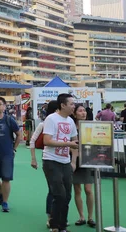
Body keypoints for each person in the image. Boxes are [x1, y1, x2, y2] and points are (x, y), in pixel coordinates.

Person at [42, 93, 79, 232]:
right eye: (71, 104)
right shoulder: (51, 119)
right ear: (63, 105)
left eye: (74, 104)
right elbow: (47, 141)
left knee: (68, 195)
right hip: (51, 161)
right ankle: (54, 225)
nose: (73, 106)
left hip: (66, 162)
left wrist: (73, 162)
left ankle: (62, 225)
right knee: (59, 194)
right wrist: (68, 144)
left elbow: (75, 141)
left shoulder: (70, 121)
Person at [30, 100, 59, 228]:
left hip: (63, 159)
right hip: (48, 158)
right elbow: (32, 141)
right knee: (53, 189)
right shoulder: (43, 124)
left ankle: (59, 216)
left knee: (63, 190)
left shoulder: (66, 122)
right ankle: (51, 217)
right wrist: (33, 159)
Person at [69, 104, 96, 227]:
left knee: (88, 189)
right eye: (80, 111)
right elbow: (67, 143)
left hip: (88, 160)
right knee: (77, 189)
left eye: (84, 111)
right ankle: (81, 216)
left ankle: (91, 217)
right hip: (74, 160)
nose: (83, 113)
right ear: (74, 114)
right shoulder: (70, 127)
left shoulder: (90, 127)